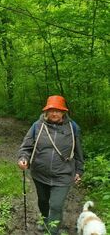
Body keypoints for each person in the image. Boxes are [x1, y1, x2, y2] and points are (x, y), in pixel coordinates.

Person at [17, 95, 84, 235]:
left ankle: (52, 231)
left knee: (56, 205)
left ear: (63, 112)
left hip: (63, 174)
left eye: (58, 110)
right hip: (40, 173)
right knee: (43, 201)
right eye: (51, 110)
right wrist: (23, 158)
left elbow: (78, 152)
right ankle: (45, 219)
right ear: (46, 111)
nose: (54, 113)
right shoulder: (37, 126)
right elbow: (26, 146)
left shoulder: (73, 128)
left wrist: (79, 170)